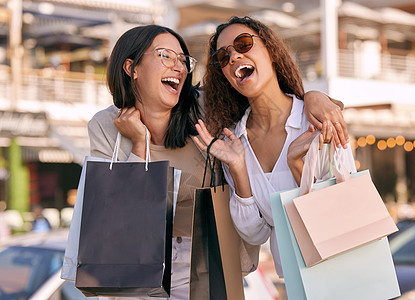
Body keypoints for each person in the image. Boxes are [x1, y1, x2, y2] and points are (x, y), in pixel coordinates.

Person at [88, 24, 350, 299]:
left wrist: (313, 97)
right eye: (165, 55)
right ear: (132, 68)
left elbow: (266, 99)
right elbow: (117, 217)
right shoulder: (107, 128)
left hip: (207, 266)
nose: (178, 67)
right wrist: (139, 147)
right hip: (140, 265)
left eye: (182, 60)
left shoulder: (206, 110)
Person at [193, 16, 357, 278]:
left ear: (270, 50)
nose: (233, 57)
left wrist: (298, 166)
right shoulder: (233, 141)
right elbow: (255, 235)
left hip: (346, 276)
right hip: (295, 284)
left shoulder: (315, 118)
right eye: (223, 57)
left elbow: (345, 206)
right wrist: (238, 170)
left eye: (243, 44)